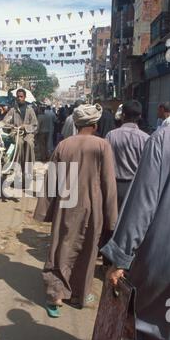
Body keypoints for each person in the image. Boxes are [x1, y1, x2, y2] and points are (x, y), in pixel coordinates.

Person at [101, 126, 170, 340]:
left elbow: (143, 204)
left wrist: (119, 259)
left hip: (161, 262)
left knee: (139, 332)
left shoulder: (164, 139)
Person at [34, 104, 117, 317]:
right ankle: (80, 294)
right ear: (95, 125)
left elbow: (51, 179)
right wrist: (112, 218)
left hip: (66, 204)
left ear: (77, 124)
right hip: (93, 206)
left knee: (60, 247)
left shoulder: (63, 145)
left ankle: (56, 296)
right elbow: (109, 182)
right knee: (88, 250)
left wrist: (45, 211)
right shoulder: (102, 145)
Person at [106, 100, 149, 210]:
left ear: (123, 115)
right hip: (136, 187)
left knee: (113, 222)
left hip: (113, 186)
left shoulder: (111, 135)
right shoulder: (145, 138)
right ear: (139, 116)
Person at [4, 89, 38, 175]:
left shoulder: (30, 110)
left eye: (21, 96)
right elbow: (4, 123)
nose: (19, 98)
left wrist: (25, 127)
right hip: (16, 133)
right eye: (18, 96)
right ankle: (16, 166)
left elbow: (35, 125)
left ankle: (29, 167)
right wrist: (12, 127)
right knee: (18, 143)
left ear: (25, 97)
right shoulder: (12, 110)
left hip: (28, 134)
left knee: (29, 143)